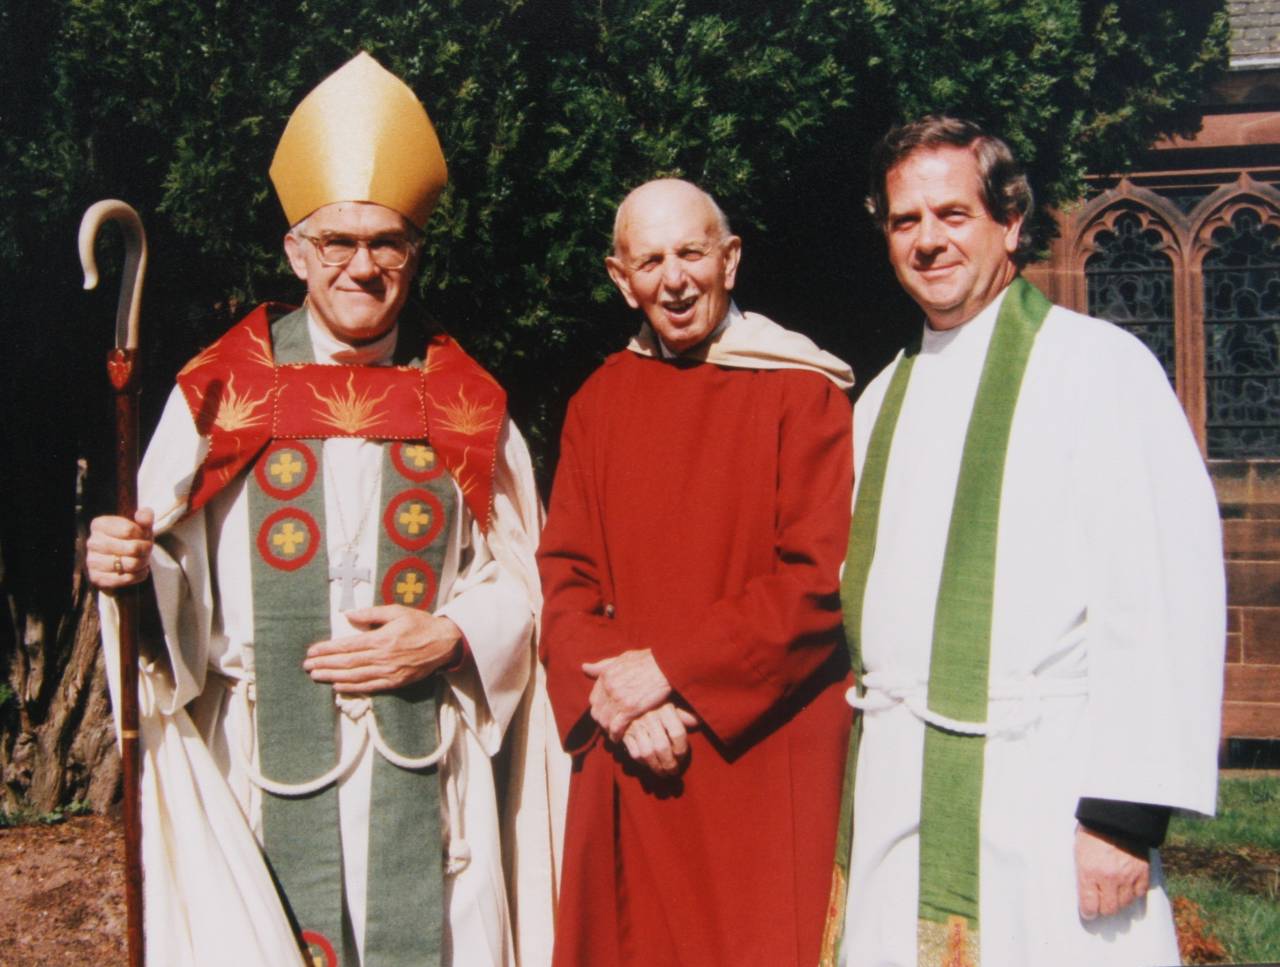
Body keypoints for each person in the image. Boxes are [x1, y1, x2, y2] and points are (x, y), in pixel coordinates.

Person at [86, 53, 564, 967]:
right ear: (296, 251)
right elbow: (164, 566)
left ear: (415, 251)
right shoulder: (219, 390)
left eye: (386, 241)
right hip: (261, 759)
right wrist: (131, 571)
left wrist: (454, 633)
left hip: (425, 769)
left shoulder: (465, 398)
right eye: (336, 242)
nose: (362, 265)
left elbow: (524, 578)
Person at [824, 116, 1225, 967]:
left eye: (952, 214)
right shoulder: (879, 399)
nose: (928, 241)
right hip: (900, 783)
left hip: (1045, 789)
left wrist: (1123, 813)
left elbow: (1161, 591)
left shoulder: (1098, 368)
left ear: (1010, 222)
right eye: (905, 221)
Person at [537, 178, 856, 967]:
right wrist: (617, 701)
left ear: (731, 259)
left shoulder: (804, 392)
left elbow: (817, 579)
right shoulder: (597, 402)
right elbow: (566, 577)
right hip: (630, 752)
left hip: (756, 756)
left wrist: (669, 671)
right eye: (650, 260)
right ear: (621, 279)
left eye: (692, 253)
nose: (674, 279)